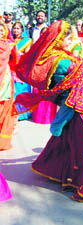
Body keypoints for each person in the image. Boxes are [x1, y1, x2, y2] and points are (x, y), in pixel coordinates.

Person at [15, 20, 83, 203]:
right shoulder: (58, 61)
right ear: (59, 39)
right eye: (68, 38)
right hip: (81, 108)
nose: (71, 41)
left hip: (77, 107)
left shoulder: (59, 55)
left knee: (79, 147)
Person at [31, 29, 57, 125]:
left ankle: (49, 117)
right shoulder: (37, 46)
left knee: (49, 95)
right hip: (39, 73)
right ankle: (38, 117)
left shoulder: (55, 47)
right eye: (43, 33)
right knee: (40, 95)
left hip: (50, 73)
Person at [0, 21, 18, 150]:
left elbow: (16, 61)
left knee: (5, 108)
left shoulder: (10, 45)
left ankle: (2, 141)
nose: (0, 33)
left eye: (1, 30)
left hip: (5, 80)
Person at [11, 21, 33, 121]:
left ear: (22, 30)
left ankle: (22, 113)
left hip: (21, 69)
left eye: (18, 29)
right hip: (11, 68)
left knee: (21, 91)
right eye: (14, 28)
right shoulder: (10, 40)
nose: (16, 30)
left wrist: (17, 53)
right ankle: (12, 112)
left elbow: (27, 55)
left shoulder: (27, 41)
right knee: (13, 91)